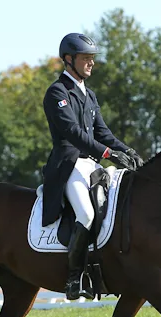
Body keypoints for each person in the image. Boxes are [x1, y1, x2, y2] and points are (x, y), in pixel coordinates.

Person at [41, 32, 143, 300]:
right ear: (68, 59)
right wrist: (108, 153)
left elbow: (103, 132)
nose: (91, 63)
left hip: (91, 165)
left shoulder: (90, 95)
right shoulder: (57, 92)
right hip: (69, 165)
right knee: (85, 215)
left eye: (92, 59)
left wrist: (127, 150)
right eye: (86, 58)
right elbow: (73, 133)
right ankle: (74, 278)